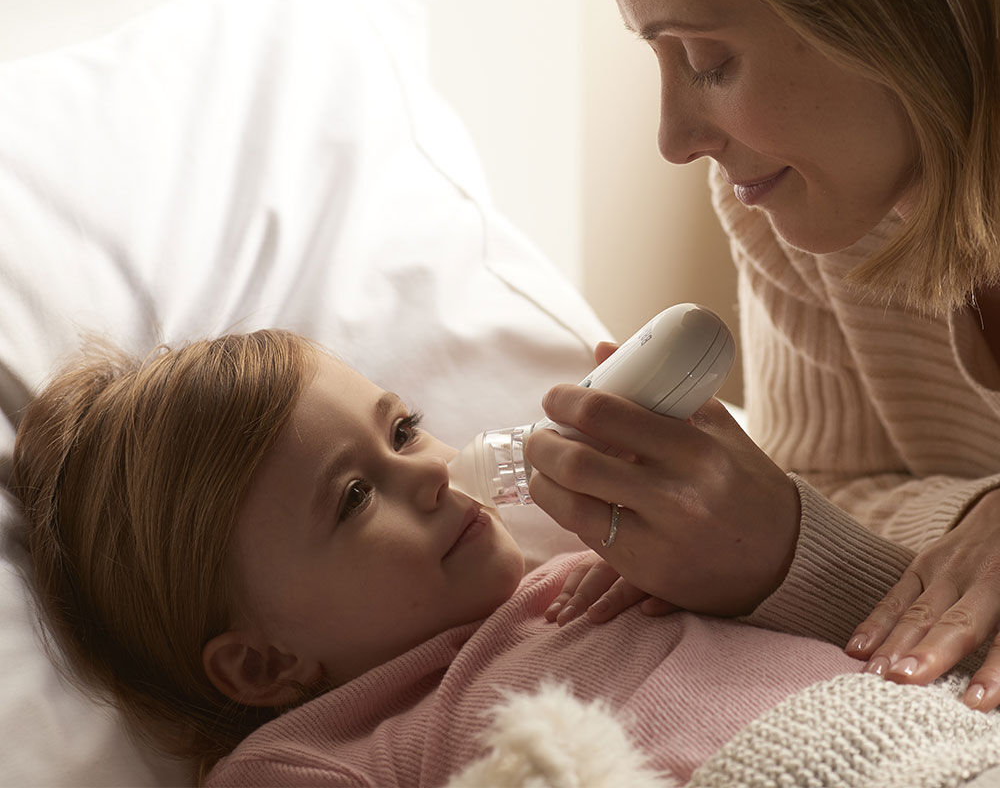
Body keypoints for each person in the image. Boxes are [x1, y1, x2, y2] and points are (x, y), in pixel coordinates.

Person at [528, 0, 1000, 713]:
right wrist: (782, 547)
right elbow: (831, 486)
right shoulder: (794, 203)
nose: (674, 138)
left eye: (707, 60)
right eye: (657, 58)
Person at [10, 327, 882, 786]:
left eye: (402, 430)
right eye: (354, 497)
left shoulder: (596, 572)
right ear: (261, 663)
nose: (430, 472)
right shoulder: (319, 753)